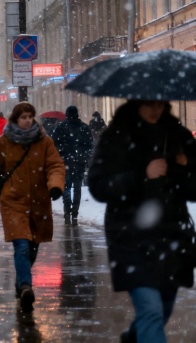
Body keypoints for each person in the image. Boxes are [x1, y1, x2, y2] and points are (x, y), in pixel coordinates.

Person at [87, 100, 196, 343]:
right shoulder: (115, 138)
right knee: (151, 309)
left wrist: (183, 169)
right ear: (136, 103)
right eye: (148, 104)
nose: (155, 110)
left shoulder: (179, 137)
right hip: (130, 237)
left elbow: (193, 189)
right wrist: (140, 175)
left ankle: (134, 337)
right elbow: (98, 187)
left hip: (171, 237)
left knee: (163, 307)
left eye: (159, 104)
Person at [0, 102, 65, 313]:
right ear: (15, 119)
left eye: (29, 116)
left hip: (38, 201)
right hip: (13, 200)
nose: (27, 120)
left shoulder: (44, 142)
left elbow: (55, 166)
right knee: (21, 245)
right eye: (23, 117)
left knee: (33, 247)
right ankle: (26, 286)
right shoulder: (3, 142)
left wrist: (55, 186)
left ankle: (21, 279)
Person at [50, 105, 95, 224]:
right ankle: (75, 213)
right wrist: (84, 156)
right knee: (77, 188)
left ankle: (67, 212)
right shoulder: (84, 127)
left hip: (66, 162)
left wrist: (62, 154)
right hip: (79, 162)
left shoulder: (60, 127)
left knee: (67, 187)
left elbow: (53, 143)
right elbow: (90, 145)